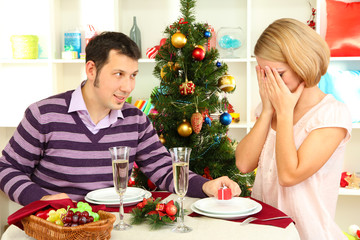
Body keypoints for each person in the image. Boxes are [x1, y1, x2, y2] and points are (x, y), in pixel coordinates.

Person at [0, 31, 241, 206]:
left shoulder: (135, 120)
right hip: (53, 226)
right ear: (91, 70)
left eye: (133, 75)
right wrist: (40, 199)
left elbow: (163, 169)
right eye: (118, 74)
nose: (127, 87)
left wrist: (206, 185)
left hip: (112, 224)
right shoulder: (44, 114)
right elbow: (6, 168)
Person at [235, 18, 351, 240]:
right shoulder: (271, 108)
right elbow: (243, 164)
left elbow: (289, 175)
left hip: (308, 234)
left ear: (303, 64)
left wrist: (285, 113)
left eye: (278, 74)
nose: (271, 83)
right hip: (267, 232)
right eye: (264, 74)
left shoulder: (331, 115)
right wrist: (268, 110)